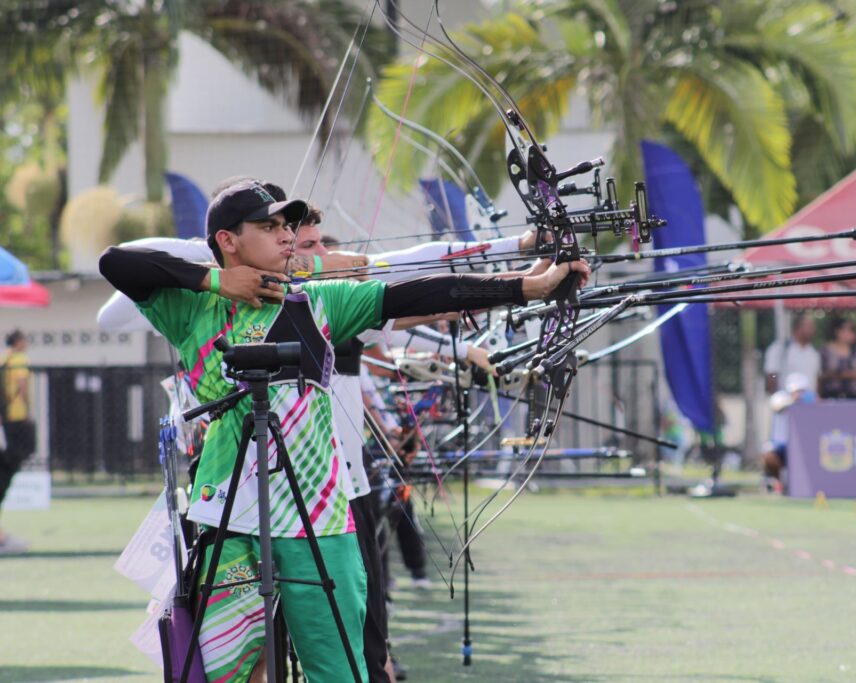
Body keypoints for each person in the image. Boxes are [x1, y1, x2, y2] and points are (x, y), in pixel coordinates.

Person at [98, 179, 587, 683]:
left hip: (321, 517)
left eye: (288, 226)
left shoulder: (320, 299)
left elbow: (416, 292)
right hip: (229, 514)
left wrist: (527, 285)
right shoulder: (192, 308)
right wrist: (217, 283)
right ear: (227, 240)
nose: (287, 237)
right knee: (223, 673)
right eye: (269, 227)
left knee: (340, 672)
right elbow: (114, 262)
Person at [0, 330, 34, 554]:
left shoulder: (4, 359)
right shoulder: (19, 360)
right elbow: (22, 385)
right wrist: (28, 408)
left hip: (4, 422)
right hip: (15, 421)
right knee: (8, 470)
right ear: (20, 341)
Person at [761, 372, 815, 493]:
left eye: (801, 390)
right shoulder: (781, 397)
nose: (799, 393)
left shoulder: (809, 398)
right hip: (781, 444)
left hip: (802, 445)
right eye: (796, 390)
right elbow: (777, 405)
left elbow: (816, 404)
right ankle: (776, 482)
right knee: (768, 455)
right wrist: (793, 401)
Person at [819, 317, 856, 399]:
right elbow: (819, 374)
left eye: (854, 330)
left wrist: (843, 375)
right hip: (831, 397)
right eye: (850, 329)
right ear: (838, 331)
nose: (853, 333)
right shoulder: (825, 351)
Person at [763, 313, 820, 394]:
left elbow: (816, 378)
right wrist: (777, 396)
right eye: (809, 327)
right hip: (786, 401)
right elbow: (771, 375)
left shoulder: (813, 352)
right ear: (798, 328)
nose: (812, 330)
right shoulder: (780, 349)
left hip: (809, 403)